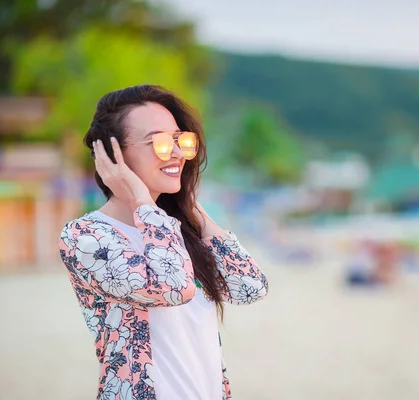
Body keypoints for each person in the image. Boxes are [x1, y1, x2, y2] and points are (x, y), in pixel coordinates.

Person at [58, 85, 268, 400]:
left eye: (179, 140)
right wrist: (142, 200)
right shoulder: (86, 236)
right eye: (158, 141)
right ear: (113, 154)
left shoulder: (177, 230)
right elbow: (172, 287)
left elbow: (249, 286)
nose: (176, 152)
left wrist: (190, 206)